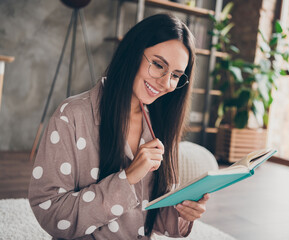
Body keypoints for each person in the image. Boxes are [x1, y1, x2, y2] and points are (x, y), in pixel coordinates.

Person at [28, 13, 210, 239]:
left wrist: (183, 213)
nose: (165, 82)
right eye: (158, 64)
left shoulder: (160, 123)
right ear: (133, 52)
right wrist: (128, 177)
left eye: (175, 75)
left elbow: (149, 217)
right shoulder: (71, 116)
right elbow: (51, 213)